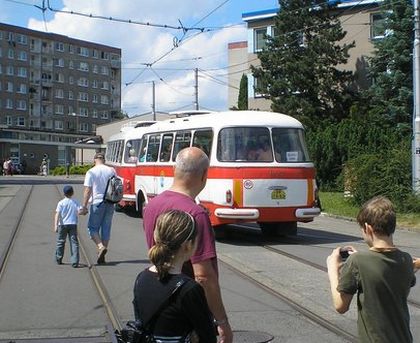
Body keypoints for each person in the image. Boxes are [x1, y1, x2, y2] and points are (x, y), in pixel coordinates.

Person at [143, 147, 233, 343]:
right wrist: (222, 322)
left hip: (159, 304)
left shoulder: (152, 205)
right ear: (204, 175)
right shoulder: (196, 214)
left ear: (175, 169)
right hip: (188, 310)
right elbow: (203, 276)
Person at [326, 196, 416, 343]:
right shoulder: (405, 259)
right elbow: (389, 272)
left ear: (367, 228)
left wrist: (332, 270)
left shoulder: (358, 261)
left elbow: (340, 306)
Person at [134, 210, 217, 343]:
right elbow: (207, 337)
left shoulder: (141, 278)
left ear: (156, 237)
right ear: (189, 245)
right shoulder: (190, 289)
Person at [80, 152, 116, 264]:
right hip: (110, 202)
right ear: (104, 160)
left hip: (97, 203)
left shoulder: (91, 172)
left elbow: (87, 190)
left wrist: (84, 206)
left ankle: (100, 247)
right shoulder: (112, 170)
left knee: (92, 228)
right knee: (106, 228)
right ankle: (102, 255)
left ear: (94, 160)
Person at [53, 185, 82, 268]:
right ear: (72, 193)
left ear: (64, 193)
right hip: (73, 224)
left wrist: (55, 225)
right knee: (74, 242)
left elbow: (57, 214)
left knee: (61, 241)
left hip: (62, 225)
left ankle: (59, 258)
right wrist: (84, 211)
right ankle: (75, 261)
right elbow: (80, 211)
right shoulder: (75, 202)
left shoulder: (61, 203)